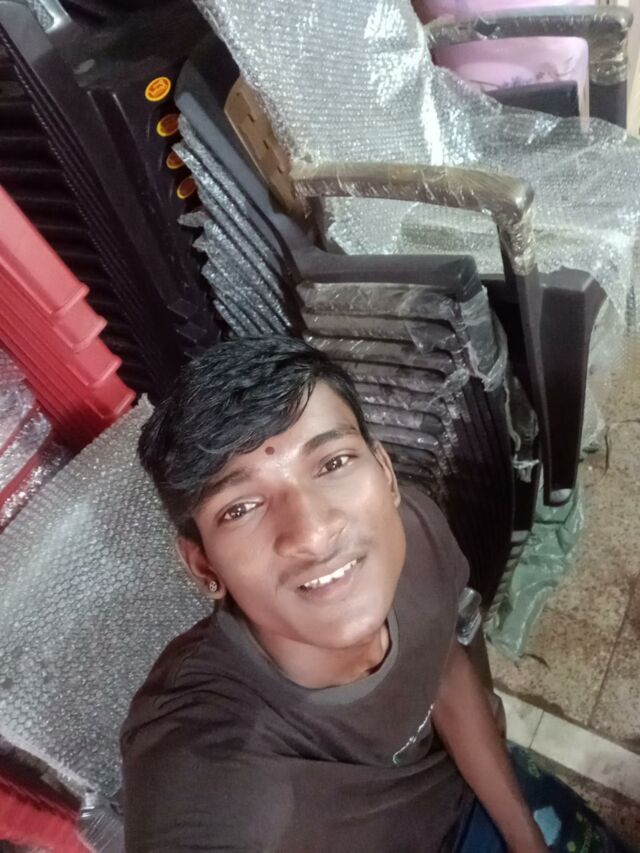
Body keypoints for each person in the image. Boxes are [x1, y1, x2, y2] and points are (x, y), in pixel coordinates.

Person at [121, 335, 632, 852]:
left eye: (333, 463)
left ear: (386, 475)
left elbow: (441, 663)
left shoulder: (412, 532)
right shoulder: (204, 753)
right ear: (204, 566)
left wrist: (525, 839)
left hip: (471, 795)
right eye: (240, 508)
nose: (313, 533)